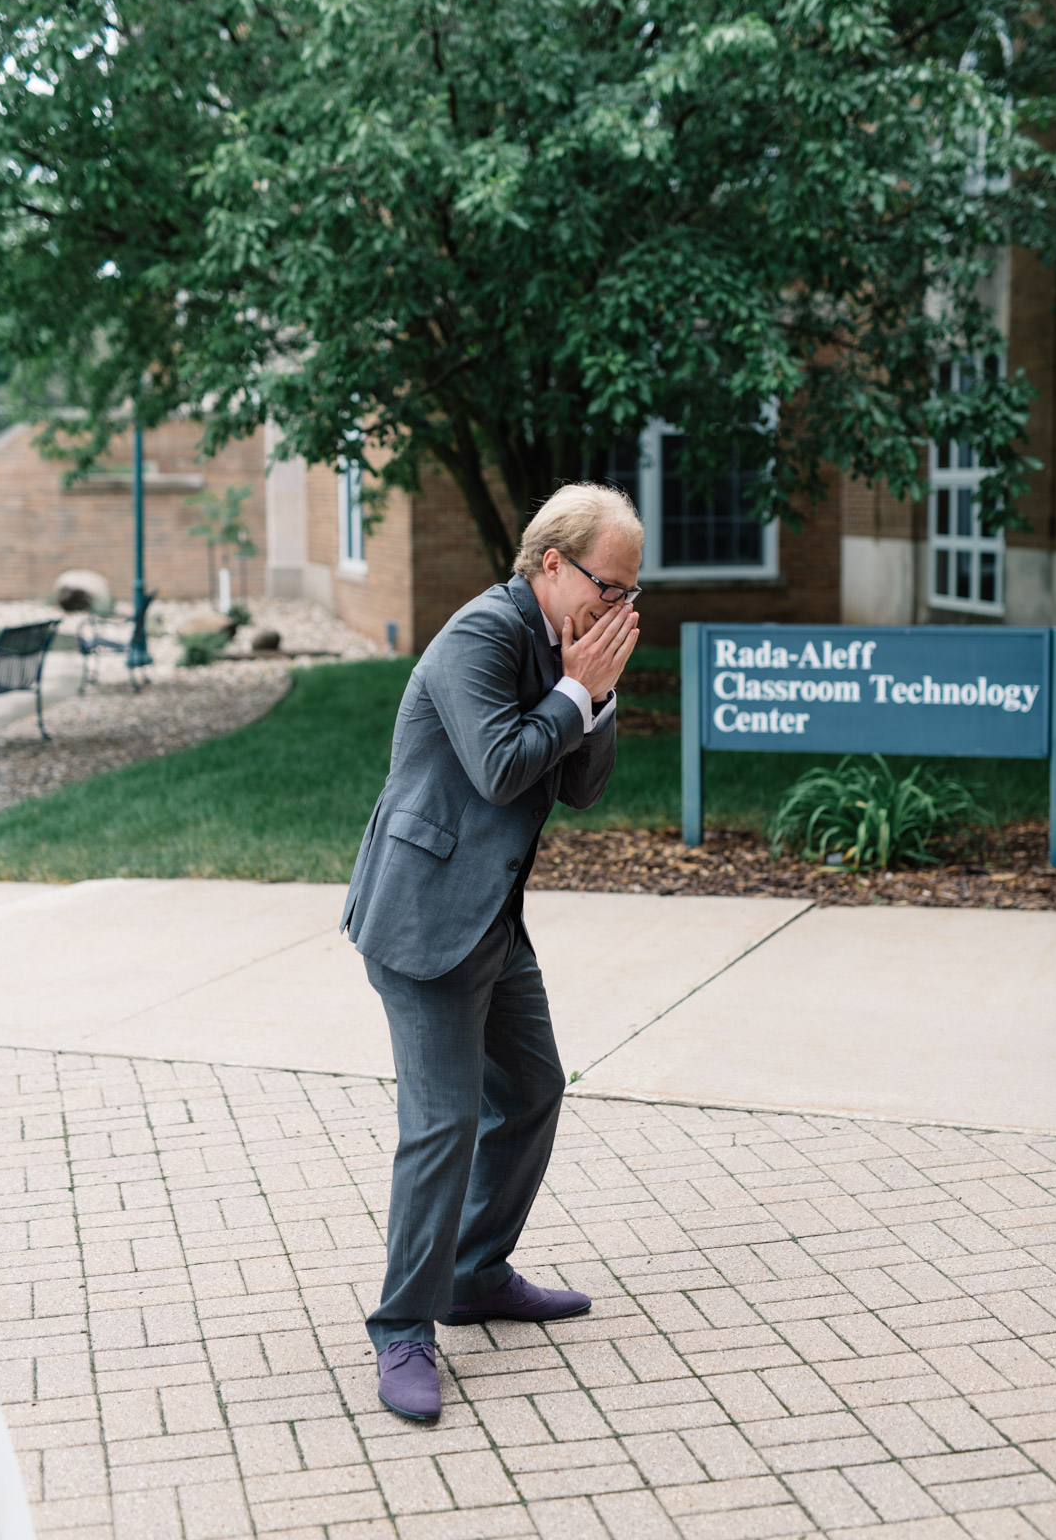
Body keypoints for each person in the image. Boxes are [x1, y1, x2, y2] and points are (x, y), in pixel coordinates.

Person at [340, 482, 642, 1421]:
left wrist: (599, 694)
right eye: (610, 585)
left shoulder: (571, 648)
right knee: (443, 1125)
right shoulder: (478, 636)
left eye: (633, 593)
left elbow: (583, 788)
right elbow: (504, 764)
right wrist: (573, 691)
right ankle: (402, 1329)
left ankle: (473, 1271)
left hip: (490, 920)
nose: (619, 607)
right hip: (425, 919)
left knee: (534, 1088)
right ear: (551, 564)